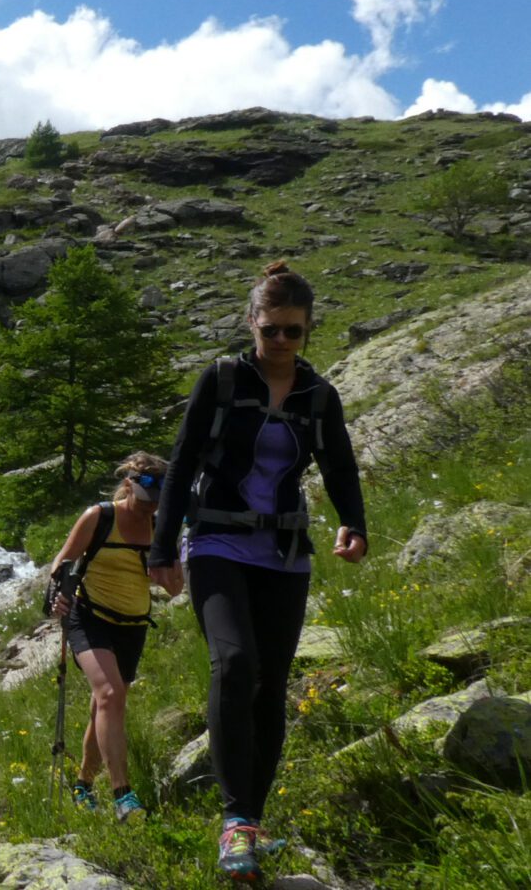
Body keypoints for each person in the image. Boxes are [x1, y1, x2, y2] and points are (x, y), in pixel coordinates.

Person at [147, 261, 367, 882]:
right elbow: (183, 460)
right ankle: (234, 818)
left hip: (286, 554)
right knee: (235, 662)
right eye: (270, 330)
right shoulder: (220, 380)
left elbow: (341, 465)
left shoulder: (319, 397)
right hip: (216, 542)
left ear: (307, 331)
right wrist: (163, 551)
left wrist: (356, 523)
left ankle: (253, 823)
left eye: (293, 332)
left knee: (272, 682)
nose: (280, 342)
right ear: (251, 324)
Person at [47, 451, 177, 823]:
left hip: (134, 625)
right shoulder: (100, 516)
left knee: (104, 707)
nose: (148, 510)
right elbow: (63, 560)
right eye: (144, 501)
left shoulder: (162, 525)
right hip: (89, 618)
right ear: (127, 486)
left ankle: (83, 784)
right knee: (110, 694)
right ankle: (123, 795)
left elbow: (175, 589)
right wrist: (57, 592)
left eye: (156, 504)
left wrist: (168, 569)